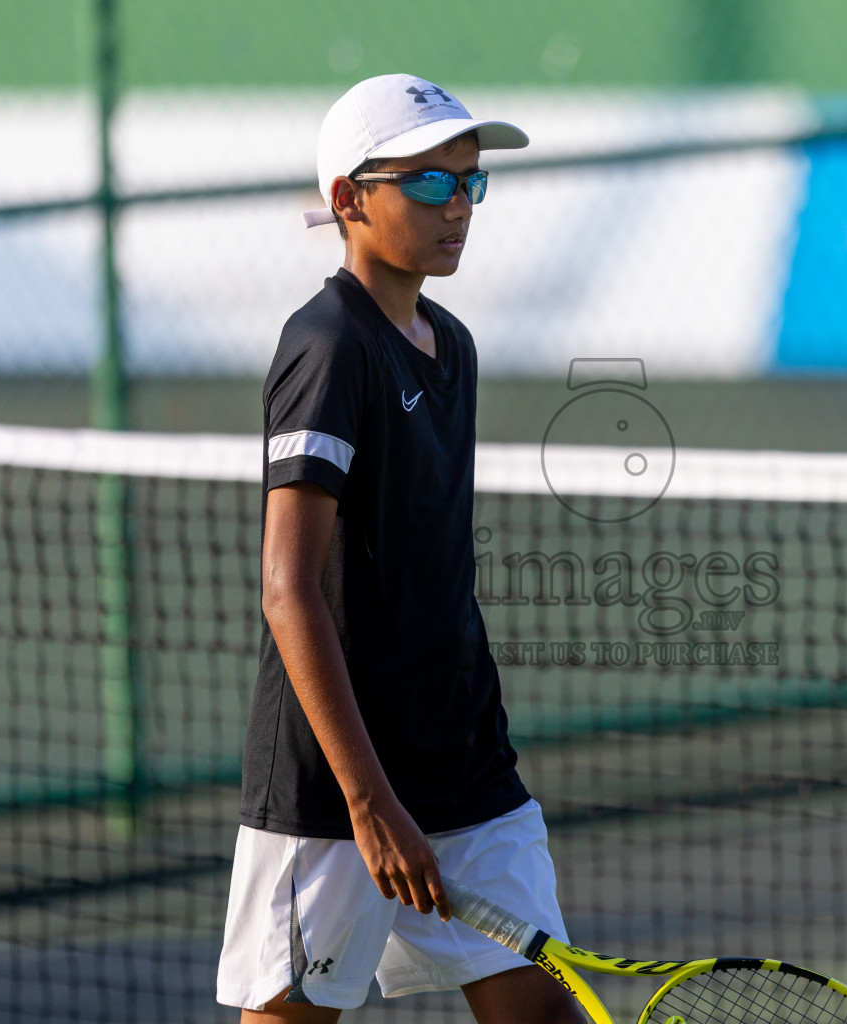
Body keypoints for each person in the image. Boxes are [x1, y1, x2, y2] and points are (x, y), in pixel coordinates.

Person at [216, 74, 584, 1024]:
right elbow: (288, 589)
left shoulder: (450, 343)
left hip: (466, 771)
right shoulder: (328, 345)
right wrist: (370, 804)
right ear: (349, 199)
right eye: (429, 184)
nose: (458, 207)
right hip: (339, 789)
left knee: (541, 1013)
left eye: (470, 184)